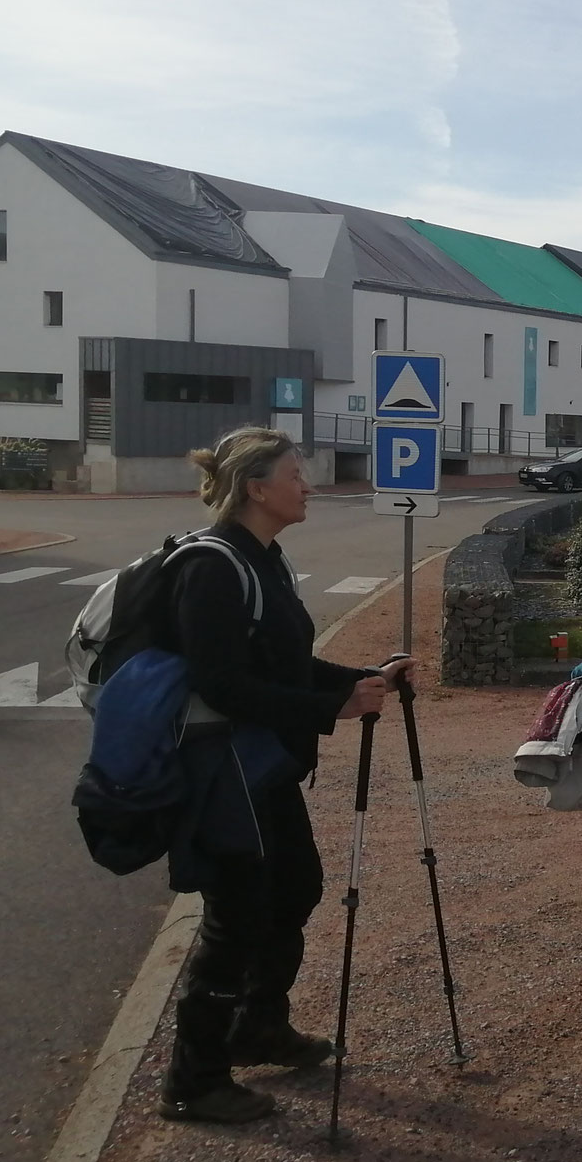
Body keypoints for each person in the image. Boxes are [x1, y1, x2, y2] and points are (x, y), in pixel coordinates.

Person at [154, 428, 412, 1125]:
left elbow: (285, 666)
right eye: (297, 474)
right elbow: (223, 684)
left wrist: (361, 679)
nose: (310, 485)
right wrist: (335, 704)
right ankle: (192, 1080)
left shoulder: (264, 558)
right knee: (234, 917)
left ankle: (256, 1027)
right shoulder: (213, 567)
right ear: (257, 488)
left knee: (295, 887)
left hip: (263, 768)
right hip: (221, 770)